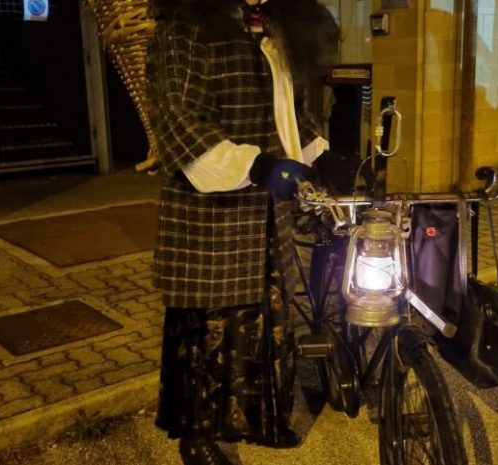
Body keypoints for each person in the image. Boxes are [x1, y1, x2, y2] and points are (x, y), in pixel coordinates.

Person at [144, 1, 338, 464]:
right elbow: (179, 120)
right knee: (211, 329)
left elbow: (287, 113)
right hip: (212, 214)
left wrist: (324, 158)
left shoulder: (271, 26)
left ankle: (258, 419)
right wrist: (257, 165)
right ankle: (198, 435)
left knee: (265, 319)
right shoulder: (183, 29)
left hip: (267, 211)